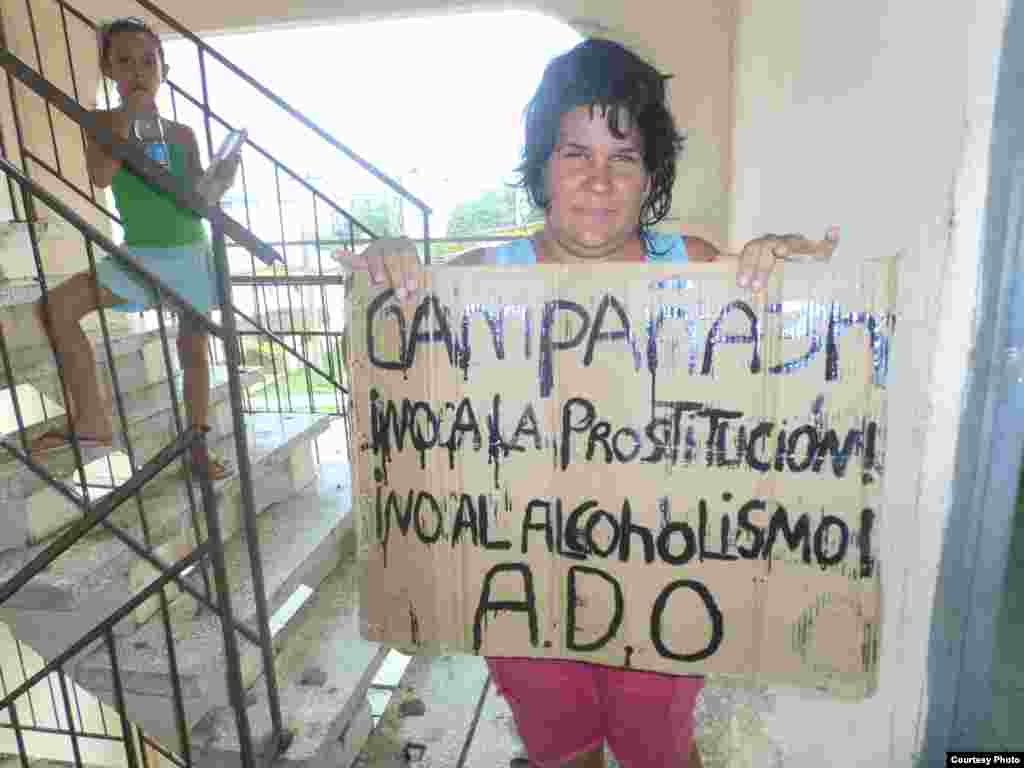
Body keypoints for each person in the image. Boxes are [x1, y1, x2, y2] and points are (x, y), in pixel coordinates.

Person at [337, 38, 837, 768]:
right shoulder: (478, 281)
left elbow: (792, 340)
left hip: (666, 574)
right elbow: (393, 372)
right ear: (541, 165)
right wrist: (390, 267)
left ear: (651, 174)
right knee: (562, 746)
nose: (599, 180)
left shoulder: (697, 268)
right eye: (575, 153)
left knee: (658, 747)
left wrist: (782, 268)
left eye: (623, 158)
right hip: (523, 583)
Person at [29, 17, 239, 479]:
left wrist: (220, 182)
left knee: (193, 348)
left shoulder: (182, 134)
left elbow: (196, 201)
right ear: (108, 70)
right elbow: (100, 176)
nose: (138, 71)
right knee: (55, 308)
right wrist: (128, 114)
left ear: (163, 69)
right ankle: (91, 419)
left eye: (147, 61)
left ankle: (197, 445)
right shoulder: (104, 122)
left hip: (188, 251)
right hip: (140, 254)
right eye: (124, 61)